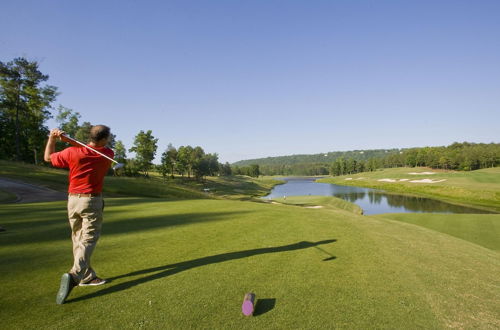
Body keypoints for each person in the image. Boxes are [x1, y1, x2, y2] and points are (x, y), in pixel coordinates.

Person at [44, 125, 114, 304]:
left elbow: (47, 157)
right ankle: (75, 275)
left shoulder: (71, 152)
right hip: (91, 201)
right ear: (104, 139)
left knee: (78, 238)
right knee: (89, 238)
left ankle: (87, 276)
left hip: (72, 200)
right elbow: (92, 148)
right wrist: (67, 140)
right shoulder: (107, 154)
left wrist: (53, 138)